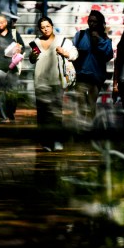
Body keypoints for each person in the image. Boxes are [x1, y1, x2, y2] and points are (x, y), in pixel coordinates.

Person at [29, 16, 78, 152]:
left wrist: (64, 53)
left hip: (56, 81)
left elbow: (75, 54)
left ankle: (57, 140)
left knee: (56, 113)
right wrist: (32, 55)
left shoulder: (62, 41)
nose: (45, 29)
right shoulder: (36, 42)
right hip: (40, 82)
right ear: (40, 29)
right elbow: (32, 60)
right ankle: (45, 142)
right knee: (43, 113)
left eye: (47, 26)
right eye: (42, 27)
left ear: (52, 26)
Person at [72, 10, 114, 131]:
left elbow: (109, 55)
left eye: (95, 21)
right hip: (81, 74)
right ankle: (80, 128)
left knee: (91, 104)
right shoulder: (80, 35)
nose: (92, 23)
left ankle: (90, 129)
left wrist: (99, 40)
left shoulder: (105, 39)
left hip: (96, 76)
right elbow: (72, 52)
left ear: (100, 23)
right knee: (80, 102)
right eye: (90, 21)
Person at [0, 14, 27, 123]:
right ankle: (3, 117)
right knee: (1, 92)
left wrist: (19, 49)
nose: (0, 25)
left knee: (13, 92)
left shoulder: (14, 34)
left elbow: (23, 46)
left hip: (13, 66)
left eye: (2, 22)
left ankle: (11, 113)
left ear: (6, 22)